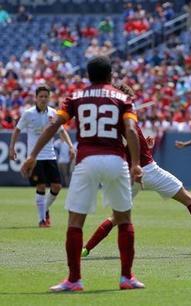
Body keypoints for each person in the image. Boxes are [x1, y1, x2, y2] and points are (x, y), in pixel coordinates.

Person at [21, 56, 145, 292]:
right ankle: (126, 277)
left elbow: (53, 126)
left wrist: (32, 155)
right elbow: (130, 130)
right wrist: (136, 163)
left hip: (86, 159)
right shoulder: (124, 98)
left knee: (76, 222)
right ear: (110, 76)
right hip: (116, 159)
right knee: (124, 219)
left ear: (88, 76)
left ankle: (74, 280)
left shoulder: (75, 97)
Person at [81, 84, 191, 258]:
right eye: (129, 100)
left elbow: (122, 148)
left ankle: (86, 249)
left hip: (130, 174)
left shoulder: (112, 122)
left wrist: (145, 148)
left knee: (116, 216)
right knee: (188, 199)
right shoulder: (126, 120)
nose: (132, 104)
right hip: (147, 170)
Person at [9, 85, 75, 227]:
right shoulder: (28, 113)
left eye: (46, 96)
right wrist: (11, 148)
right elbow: (17, 130)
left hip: (50, 155)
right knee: (41, 186)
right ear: (36, 98)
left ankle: (44, 210)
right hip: (35, 157)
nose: (43, 99)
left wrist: (70, 146)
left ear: (49, 98)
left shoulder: (54, 113)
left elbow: (62, 131)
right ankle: (42, 220)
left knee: (57, 186)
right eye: (41, 96)